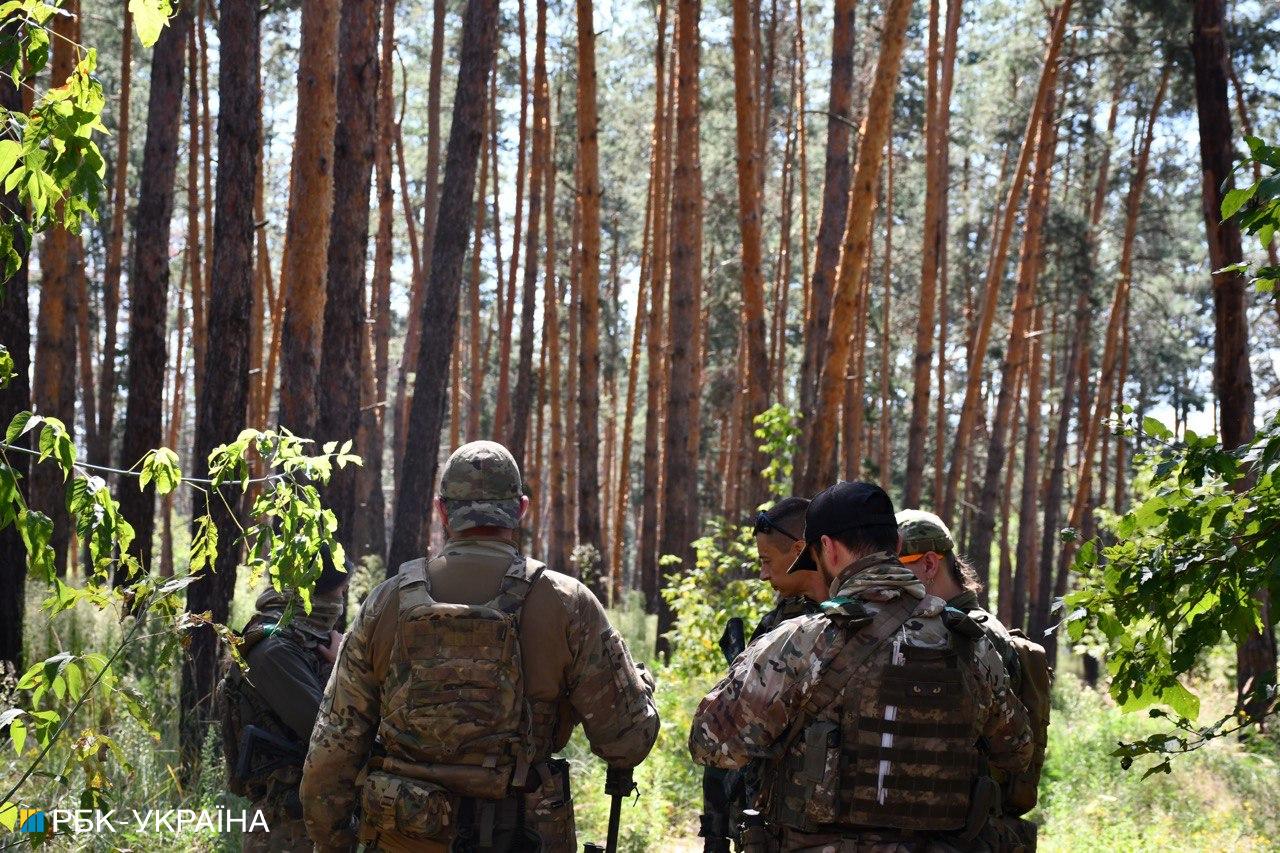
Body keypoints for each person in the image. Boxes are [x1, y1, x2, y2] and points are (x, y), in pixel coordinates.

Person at [300, 440, 659, 852]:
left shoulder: (385, 602)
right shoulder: (568, 603)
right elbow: (628, 742)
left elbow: (332, 750)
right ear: (520, 509)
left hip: (404, 839)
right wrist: (640, 692)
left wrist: (333, 842)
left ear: (442, 511)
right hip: (523, 837)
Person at [690, 481, 1032, 852]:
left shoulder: (804, 642)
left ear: (828, 549)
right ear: (897, 546)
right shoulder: (970, 642)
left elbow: (709, 742)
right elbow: (1017, 751)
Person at [897, 509, 1051, 851]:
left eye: (896, 567)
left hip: (965, 830)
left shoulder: (974, 635)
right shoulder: (937, 628)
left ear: (929, 564)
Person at [700, 497, 828, 852]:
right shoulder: (778, 621)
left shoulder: (839, 625)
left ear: (801, 550)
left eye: (767, 561)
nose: (762, 573)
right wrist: (716, 828)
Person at [218, 545, 350, 853]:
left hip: (308, 812)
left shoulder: (301, 638)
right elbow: (326, 733)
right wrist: (343, 667)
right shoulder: (275, 650)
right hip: (284, 823)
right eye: (341, 592)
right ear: (316, 593)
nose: (341, 603)